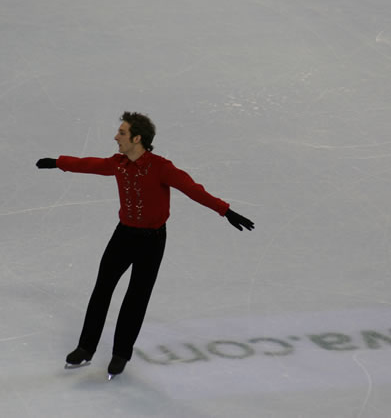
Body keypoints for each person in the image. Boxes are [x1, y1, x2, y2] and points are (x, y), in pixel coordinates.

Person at [36, 112, 253, 379]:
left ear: (137, 138)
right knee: (102, 289)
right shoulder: (118, 163)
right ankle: (85, 347)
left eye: (122, 133)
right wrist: (58, 162)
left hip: (152, 241)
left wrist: (225, 211)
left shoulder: (161, 167)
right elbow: (90, 164)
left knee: (136, 297)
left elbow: (193, 189)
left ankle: (120, 354)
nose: (116, 137)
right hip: (123, 235)